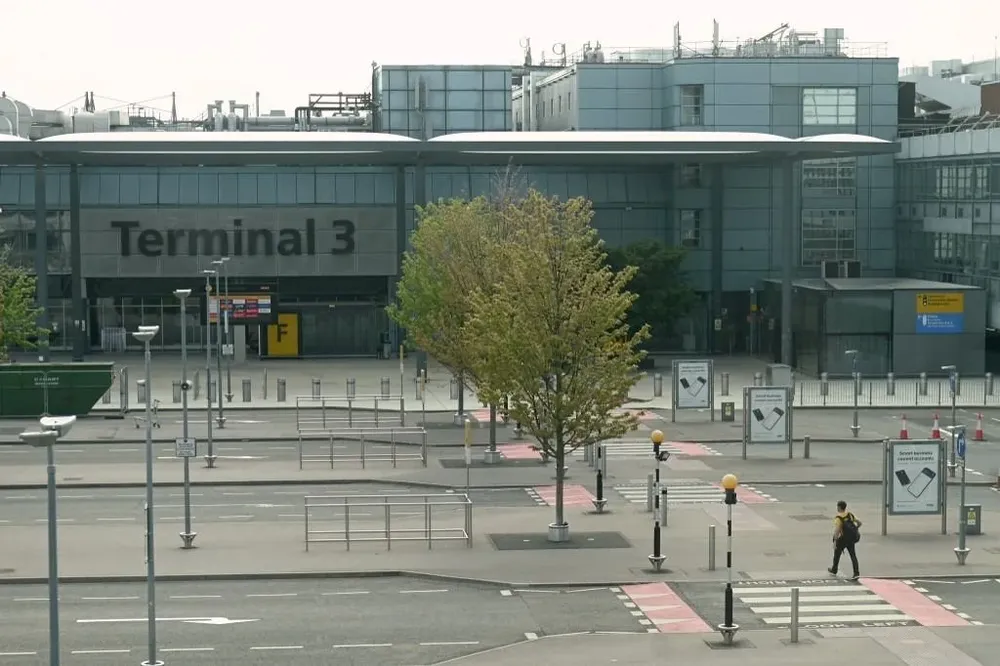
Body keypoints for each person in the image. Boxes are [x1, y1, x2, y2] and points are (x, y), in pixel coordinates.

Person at [828, 500, 861, 580]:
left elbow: (837, 530)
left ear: (839, 507)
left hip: (843, 539)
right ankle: (856, 573)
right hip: (851, 539)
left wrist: (835, 541)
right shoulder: (850, 515)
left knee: (837, 554)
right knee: (853, 555)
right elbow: (860, 523)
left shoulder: (838, 518)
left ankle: (834, 569)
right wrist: (855, 529)